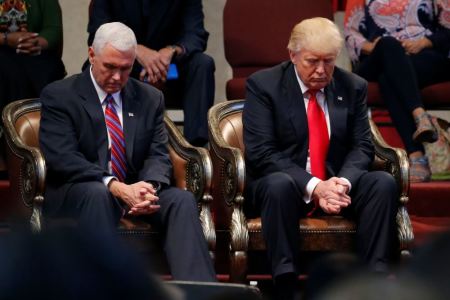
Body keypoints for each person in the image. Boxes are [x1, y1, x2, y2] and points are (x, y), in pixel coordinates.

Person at [39, 22, 215, 281]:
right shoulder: (61, 95)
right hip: (81, 189)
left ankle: (200, 291)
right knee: (98, 193)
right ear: (91, 55)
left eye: (126, 68)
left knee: (181, 200)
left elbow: (158, 153)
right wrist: (114, 186)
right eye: (110, 67)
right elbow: (63, 158)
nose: (118, 77)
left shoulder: (149, 97)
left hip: (134, 188)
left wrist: (148, 188)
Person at [243, 17, 398, 300]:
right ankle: (285, 283)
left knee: (382, 183)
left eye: (328, 61)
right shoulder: (264, 86)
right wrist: (316, 186)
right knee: (278, 185)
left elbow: (362, 146)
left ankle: (373, 282)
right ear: (292, 55)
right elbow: (262, 153)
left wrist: (342, 183)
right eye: (312, 61)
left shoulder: (353, 86)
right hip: (285, 186)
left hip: (337, 186)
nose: (321, 70)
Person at [344, 0, 450, 182]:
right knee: (388, 45)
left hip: (422, 57)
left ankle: (417, 156)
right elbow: (351, 35)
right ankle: (420, 116)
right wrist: (377, 48)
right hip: (376, 57)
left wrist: (424, 42)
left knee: (389, 77)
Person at [86, 0, 215, 147]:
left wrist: (171, 50)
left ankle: (194, 151)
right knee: (93, 66)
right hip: (126, 65)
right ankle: (101, 144)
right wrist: (134, 49)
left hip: (169, 67)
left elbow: (196, 34)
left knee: (202, 64)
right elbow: (97, 34)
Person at [0, 0, 65, 113]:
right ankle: (11, 125)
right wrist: (5, 38)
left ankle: (40, 125)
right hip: (1, 49)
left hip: (35, 51)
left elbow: (53, 29)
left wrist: (35, 42)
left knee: (43, 70)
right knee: (10, 72)